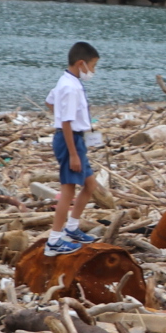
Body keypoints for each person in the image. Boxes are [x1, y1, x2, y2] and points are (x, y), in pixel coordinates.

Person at [45, 41, 103, 256]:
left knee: (90, 185)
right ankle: (53, 241)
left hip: (75, 139)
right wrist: (72, 154)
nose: (93, 71)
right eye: (93, 66)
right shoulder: (69, 87)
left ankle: (71, 229)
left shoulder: (68, 81)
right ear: (81, 63)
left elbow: (50, 101)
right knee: (68, 191)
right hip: (70, 141)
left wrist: (63, 117)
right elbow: (67, 122)